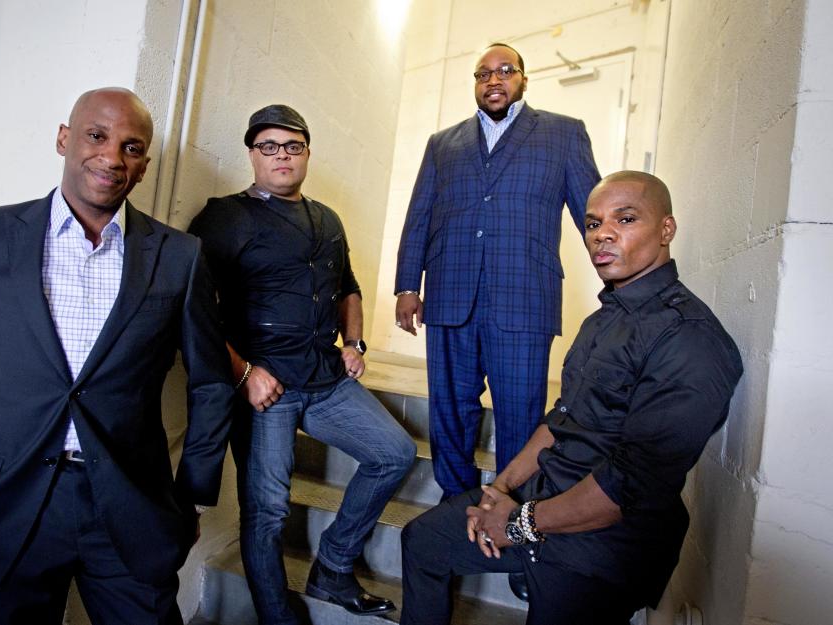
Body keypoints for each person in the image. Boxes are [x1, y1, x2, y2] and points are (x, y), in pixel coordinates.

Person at [0, 87, 234, 625]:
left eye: (131, 147)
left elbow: (212, 385)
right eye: (97, 136)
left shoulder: (180, 257)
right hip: (3, 505)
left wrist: (191, 495)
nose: (111, 157)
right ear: (64, 138)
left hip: (129, 509)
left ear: (144, 166)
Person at [399, 171, 744, 625]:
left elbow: (627, 488)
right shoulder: (603, 321)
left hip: (602, 545)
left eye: (625, 219)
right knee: (422, 539)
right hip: (542, 500)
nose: (603, 234)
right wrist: (501, 489)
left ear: (666, 230)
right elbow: (561, 418)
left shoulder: (690, 340)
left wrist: (518, 522)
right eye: (592, 222)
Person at [188, 104, 416, 625]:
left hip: (325, 379)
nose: (281, 156)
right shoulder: (224, 217)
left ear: (307, 153)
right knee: (267, 511)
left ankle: (332, 569)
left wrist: (354, 343)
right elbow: (194, 310)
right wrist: (244, 372)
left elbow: (348, 287)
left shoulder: (326, 219)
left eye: (292, 146)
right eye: (268, 146)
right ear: (252, 154)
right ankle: (275, 613)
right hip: (265, 389)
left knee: (395, 453)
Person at [394, 43, 601, 502]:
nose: (494, 79)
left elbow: (592, 214)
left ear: (523, 79)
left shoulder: (563, 135)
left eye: (505, 70)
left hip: (524, 298)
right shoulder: (442, 144)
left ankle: (508, 504)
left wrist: (621, 281)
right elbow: (420, 216)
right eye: (483, 73)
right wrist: (408, 285)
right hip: (449, 296)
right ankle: (455, 498)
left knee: (520, 415)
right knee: (450, 409)